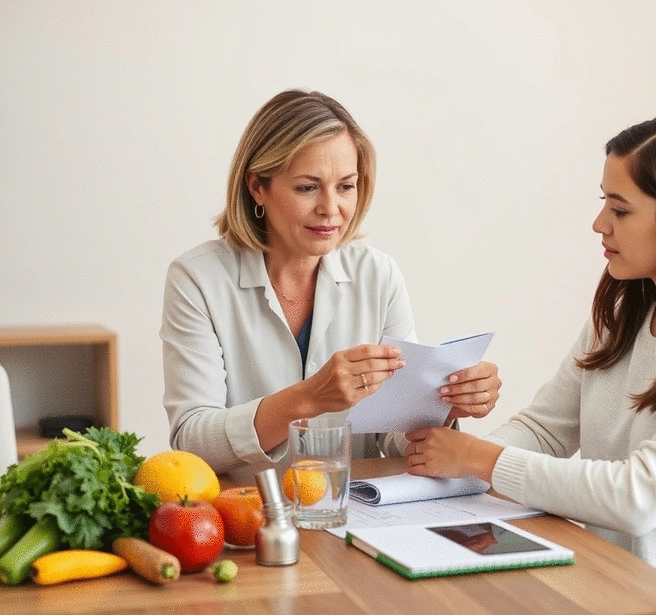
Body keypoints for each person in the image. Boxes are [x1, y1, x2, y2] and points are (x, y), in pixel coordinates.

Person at [405, 113, 656, 614]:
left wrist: (476, 459)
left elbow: (642, 495)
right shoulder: (627, 308)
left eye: (620, 210)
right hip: (621, 586)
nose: (599, 223)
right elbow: (545, 430)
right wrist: (437, 471)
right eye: (603, 201)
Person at [161, 89, 501, 486]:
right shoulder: (197, 279)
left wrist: (446, 402)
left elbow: (392, 433)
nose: (331, 208)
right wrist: (307, 398)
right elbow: (191, 442)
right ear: (257, 186)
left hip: (351, 513)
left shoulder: (378, 275)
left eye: (346, 186)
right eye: (307, 187)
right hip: (248, 517)